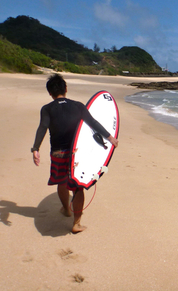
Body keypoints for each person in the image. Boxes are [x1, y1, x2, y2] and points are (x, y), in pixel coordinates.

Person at [31, 74, 118, 233]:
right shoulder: (78, 106)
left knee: (62, 182)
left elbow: (42, 128)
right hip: (75, 154)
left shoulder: (47, 109)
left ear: (50, 93)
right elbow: (93, 123)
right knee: (78, 187)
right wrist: (110, 137)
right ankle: (76, 223)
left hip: (57, 153)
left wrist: (35, 148)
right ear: (66, 89)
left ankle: (66, 209)